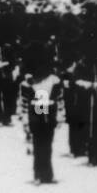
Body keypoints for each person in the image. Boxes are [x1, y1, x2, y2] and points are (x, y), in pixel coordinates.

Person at [20, 43, 62, 185]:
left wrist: (60, 115)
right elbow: (24, 102)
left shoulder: (53, 80)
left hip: (48, 113)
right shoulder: (28, 83)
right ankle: (38, 174)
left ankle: (47, 175)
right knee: (39, 144)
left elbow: (59, 99)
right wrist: (25, 119)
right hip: (37, 113)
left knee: (47, 144)